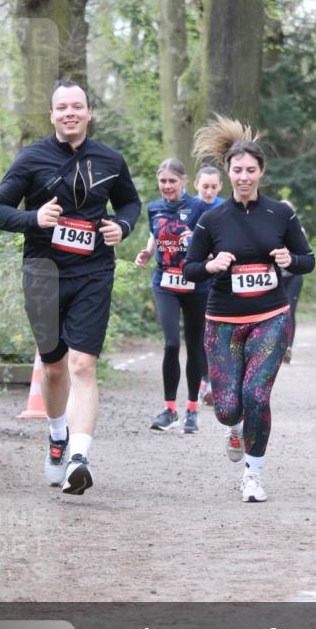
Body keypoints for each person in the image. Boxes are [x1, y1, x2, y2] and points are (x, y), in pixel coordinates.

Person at [0, 80, 141, 494]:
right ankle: (57, 436)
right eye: (62, 107)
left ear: (89, 113)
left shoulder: (110, 159)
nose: (70, 113)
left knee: (83, 365)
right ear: (52, 115)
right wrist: (33, 218)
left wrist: (121, 227)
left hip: (93, 271)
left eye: (77, 106)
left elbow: (130, 203)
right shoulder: (31, 158)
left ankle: (79, 455)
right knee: (54, 366)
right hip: (43, 272)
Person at [184, 116, 315, 502]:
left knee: (257, 395)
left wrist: (289, 259)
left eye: (250, 170)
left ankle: (253, 476)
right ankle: (235, 427)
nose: (244, 177)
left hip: (271, 317)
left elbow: (308, 260)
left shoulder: (280, 214)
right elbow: (190, 269)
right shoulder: (211, 219)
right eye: (237, 170)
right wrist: (211, 266)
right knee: (227, 408)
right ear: (228, 172)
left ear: (262, 172)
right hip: (222, 320)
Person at [135, 159, 209, 434]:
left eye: (172, 181)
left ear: (184, 181)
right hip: (164, 281)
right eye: (162, 181)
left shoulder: (199, 207)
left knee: (194, 344)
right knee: (170, 344)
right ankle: (169, 410)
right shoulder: (153, 207)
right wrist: (146, 251)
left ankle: (191, 409)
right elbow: (156, 236)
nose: (166, 186)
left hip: (195, 283)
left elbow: (209, 241)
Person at [194, 166, 224, 404]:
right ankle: (205, 378)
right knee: (201, 335)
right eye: (205, 186)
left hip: (221, 281)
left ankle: (216, 382)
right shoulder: (189, 207)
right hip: (194, 280)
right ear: (196, 186)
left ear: (221, 187)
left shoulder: (226, 208)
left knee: (217, 334)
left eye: (214, 187)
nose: (209, 191)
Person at [279, 200, 307, 364]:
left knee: (289, 311)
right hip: (277, 277)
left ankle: (287, 347)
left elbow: (305, 254)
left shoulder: (298, 230)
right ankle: (276, 346)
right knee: (277, 313)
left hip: (294, 276)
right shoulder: (270, 228)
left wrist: (291, 255)